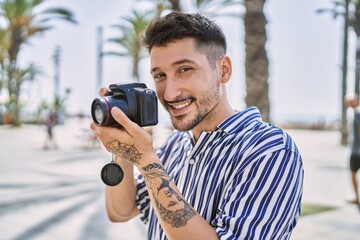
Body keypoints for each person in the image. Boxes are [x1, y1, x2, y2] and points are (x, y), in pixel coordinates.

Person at [90, 12, 304, 240]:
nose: (170, 93)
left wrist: (146, 161)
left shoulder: (269, 150)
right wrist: (123, 149)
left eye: (184, 69)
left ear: (224, 70)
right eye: (160, 75)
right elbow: (120, 211)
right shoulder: (175, 145)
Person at [345, 95, 360, 207]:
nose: (347, 103)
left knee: (353, 174)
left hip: (357, 151)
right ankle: (357, 198)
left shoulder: (357, 113)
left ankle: (357, 198)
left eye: (349, 101)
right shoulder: (354, 113)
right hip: (355, 149)